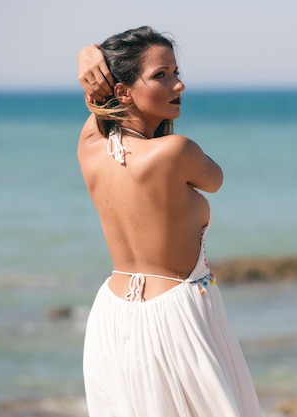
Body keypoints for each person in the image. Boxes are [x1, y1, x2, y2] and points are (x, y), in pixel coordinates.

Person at [76, 26, 262, 417]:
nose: (178, 85)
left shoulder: (88, 148)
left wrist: (87, 55)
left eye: (176, 72)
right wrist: (88, 56)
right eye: (161, 75)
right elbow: (215, 180)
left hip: (111, 318)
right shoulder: (176, 151)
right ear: (123, 90)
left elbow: (95, 98)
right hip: (177, 313)